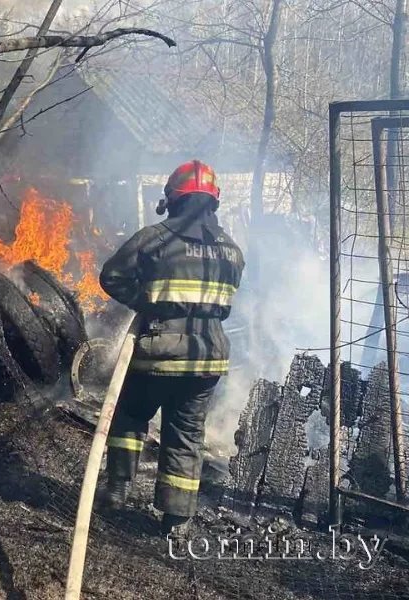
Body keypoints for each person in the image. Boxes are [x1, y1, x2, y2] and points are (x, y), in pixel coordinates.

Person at [98, 160, 245, 536]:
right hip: (207, 358)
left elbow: (111, 276)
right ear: (213, 202)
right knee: (186, 435)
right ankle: (176, 521)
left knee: (131, 415)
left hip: (157, 354)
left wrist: (146, 302)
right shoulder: (232, 251)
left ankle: (116, 491)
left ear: (172, 199)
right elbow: (224, 302)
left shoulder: (155, 239)